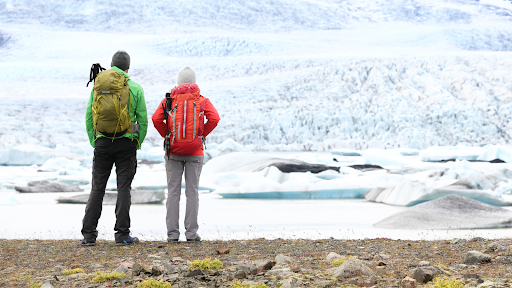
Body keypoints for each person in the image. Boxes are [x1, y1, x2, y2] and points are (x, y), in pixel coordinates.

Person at [81, 50, 148, 246]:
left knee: (97, 188)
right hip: (126, 144)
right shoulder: (135, 87)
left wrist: (96, 141)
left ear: (111, 65)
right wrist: (136, 142)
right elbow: (142, 120)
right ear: (128, 67)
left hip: (102, 142)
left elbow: (88, 118)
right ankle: (121, 235)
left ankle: (88, 235)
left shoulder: (98, 87)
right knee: (123, 189)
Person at [152, 66, 220, 243]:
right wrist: (201, 135)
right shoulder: (202, 100)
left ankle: (172, 235)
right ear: (194, 81)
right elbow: (214, 118)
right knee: (192, 192)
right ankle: (191, 234)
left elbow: (156, 119)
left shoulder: (169, 100)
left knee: (173, 192)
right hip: (195, 151)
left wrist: (168, 136)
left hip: (173, 150)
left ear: (178, 81)